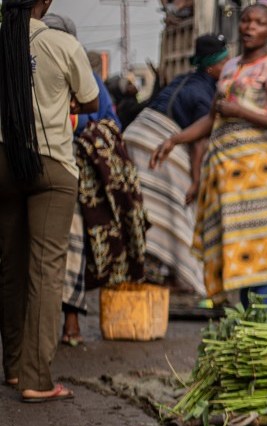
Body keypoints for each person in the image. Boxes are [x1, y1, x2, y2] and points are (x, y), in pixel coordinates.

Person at [150, 5, 267, 308]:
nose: (249, 26)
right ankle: (246, 316)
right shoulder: (230, 68)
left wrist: (241, 111)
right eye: (245, 20)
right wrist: (175, 139)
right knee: (236, 244)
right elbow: (212, 118)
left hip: (254, 168)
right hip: (224, 169)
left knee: (259, 242)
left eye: (259, 23)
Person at [0, 0, 100, 401]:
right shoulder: (62, 44)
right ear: (46, 1)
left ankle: (11, 368)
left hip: (3, 162)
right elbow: (90, 100)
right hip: (51, 166)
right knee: (45, 271)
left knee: (10, 265)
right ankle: (35, 379)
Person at [42, 13, 146, 347]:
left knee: (71, 243)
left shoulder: (80, 74)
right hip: (55, 166)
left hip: (71, 169)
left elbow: (103, 119)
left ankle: (69, 323)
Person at [125, 34, 228, 297]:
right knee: (177, 208)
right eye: (224, 59)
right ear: (212, 66)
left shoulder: (184, 79)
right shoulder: (207, 94)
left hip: (135, 136)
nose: (228, 64)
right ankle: (181, 274)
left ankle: (154, 271)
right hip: (157, 142)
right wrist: (195, 181)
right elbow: (199, 143)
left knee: (150, 211)